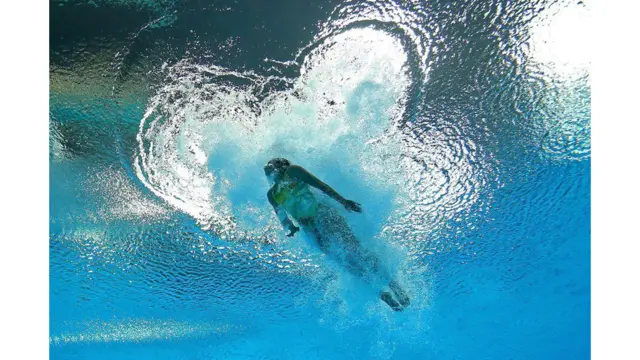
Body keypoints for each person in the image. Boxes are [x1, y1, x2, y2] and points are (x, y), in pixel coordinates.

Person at [264, 157, 410, 311]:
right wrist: (291, 228)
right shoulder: (271, 195)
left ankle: (394, 285)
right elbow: (282, 218)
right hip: (311, 230)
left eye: (270, 164)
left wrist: (343, 201)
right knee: (345, 263)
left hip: (324, 214)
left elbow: (321, 186)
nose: (267, 168)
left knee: (356, 250)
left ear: (281, 165)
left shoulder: (293, 171)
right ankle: (381, 294)